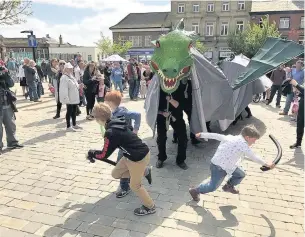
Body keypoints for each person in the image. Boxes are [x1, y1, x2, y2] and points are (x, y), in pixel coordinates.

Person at [87, 103, 156, 215]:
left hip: (139, 158)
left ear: (99, 119)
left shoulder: (111, 132)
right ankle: (144, 171)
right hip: (129, 155)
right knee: (116, 173)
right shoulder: (115, 120)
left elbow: (104, 154)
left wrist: (92, 153)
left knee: (135, 185)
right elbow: (129, 129)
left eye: (95, 118)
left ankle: (150, 206)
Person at [188, 125, 275, 201]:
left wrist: (202, 134)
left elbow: (215, 136)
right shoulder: (243, 145)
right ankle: (195, 190)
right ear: (247, 137)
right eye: (254, 140)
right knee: (212, 187)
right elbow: (254, 157)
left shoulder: (231, 137)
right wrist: (267, 164)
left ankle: (228, 186)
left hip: (229, 166)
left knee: (241, 174)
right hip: (219, 167)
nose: (254, 142)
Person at [104, 91, 152, 198]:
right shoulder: (112, 112)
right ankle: (145, 170)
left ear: (111, 102)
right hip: (122, 143)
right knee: (128, 163)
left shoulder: (122, 112)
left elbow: (137, 115)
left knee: (119, 164)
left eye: (106, 101)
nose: (105, 102)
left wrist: (136, 129)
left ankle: (125, 187)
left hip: (127, 144)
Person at [0, 64, 23, 154]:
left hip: (6, 102)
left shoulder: (3, 70)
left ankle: (12, 142)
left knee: (11, 124)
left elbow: (11, 84)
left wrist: (6, 74)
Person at [59, 63, 81, 132]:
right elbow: (63, 89)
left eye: (71, 68)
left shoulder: (71, 76)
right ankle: (68, 126)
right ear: (66, 69)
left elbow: (75, 85)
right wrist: (66, 98)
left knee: (74, 111)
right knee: (69, 111)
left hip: (74, 97)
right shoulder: (64, 77)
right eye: (69, 68)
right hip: (69, 98)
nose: (71, 69)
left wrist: (80, 85)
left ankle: (74, 124)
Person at [289, 79, 304, 149]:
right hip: (302, 110)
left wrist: (297, 85)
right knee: (300, 126)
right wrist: (297, 91)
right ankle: (298, 143)